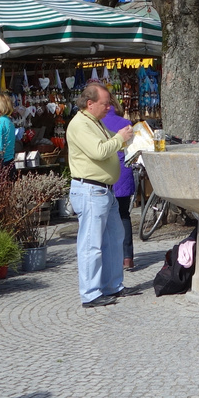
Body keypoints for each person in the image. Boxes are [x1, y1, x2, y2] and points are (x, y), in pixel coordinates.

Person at [67, 84, 134, 307]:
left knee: (115, 240)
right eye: (105, 103)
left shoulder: (94, 122)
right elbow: (99, 151)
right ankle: (90, 293)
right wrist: (119, 138)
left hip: (105, 190)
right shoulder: (79, 124)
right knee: (91, 244)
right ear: (90, 104)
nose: (109, 107)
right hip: (90, 190)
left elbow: (106, 148)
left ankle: (112, 286)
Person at [99, 95, 138, 273]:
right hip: (124, 171)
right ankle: (127, 257)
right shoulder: (125, 123)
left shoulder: (97, 123)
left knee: (104, 216)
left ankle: (108, 257)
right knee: (124, 215)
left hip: (105, 173)